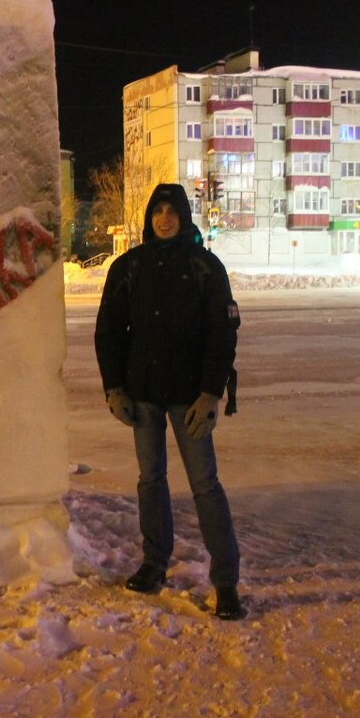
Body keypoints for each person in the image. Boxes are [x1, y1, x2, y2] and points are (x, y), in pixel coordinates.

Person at [94, 183, 246, 621]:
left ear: (184, 217)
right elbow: (109, 331)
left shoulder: (204, 266)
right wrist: (114, 387)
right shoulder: (129, 267)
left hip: (190, 396)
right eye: (158, 211)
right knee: (151, 479)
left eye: (172, 211)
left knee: (205, 484)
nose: (165, 218)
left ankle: (226, 581)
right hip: (143, 395)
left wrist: (211, 393)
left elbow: (223, 334)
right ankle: (154, 562)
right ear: (148, 218)